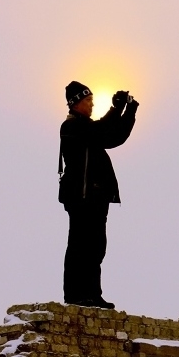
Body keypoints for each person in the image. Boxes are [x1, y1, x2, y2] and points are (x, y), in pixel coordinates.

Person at [58, 80, 139, 308]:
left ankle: (93, 294)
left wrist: (129, 111)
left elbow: (114, 137)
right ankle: (75, 296)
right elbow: (99, 131)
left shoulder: (87, 128)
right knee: (80, 246)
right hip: (81, 197)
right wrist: (115, 108)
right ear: (75, 103)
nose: (92, 104)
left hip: (97, 197)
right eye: (88, 100)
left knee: (96, 247)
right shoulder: (71, 127)